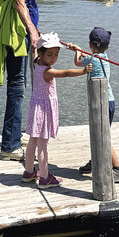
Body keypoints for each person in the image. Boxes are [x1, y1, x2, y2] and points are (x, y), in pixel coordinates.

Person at [0, 0, 58, 161]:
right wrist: (32, 30)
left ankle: (14, 136)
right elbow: (19, 2)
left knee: (21, 85)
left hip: (24, 32)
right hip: (16, 35)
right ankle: (9, 147)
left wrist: (33, 29)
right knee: (16, 86)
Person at [21, 32, 92, 188]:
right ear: (42, 53)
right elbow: (65, 73)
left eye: (56, 54)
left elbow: (34, 51)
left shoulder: (36, 62)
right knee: (42, 144)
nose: (53, 58)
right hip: (43, 110)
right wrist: (83, 71)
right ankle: (44, 177)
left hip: (35, 108)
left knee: (33, 141)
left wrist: (35, 44)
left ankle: (29, 172)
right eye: (49, 55)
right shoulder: (47, 72)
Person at [71, 26, 119, 183]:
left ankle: (118, 169)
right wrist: (79, 49)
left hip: (101, 102)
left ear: (90, 44)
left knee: (103, 136)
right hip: (110, 101)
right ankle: (95, 160)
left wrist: (77, 51)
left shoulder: (92, 60)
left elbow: (77, 62)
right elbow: (90, 56)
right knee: (99, 133)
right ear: (107, 46)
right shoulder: (104, 57)